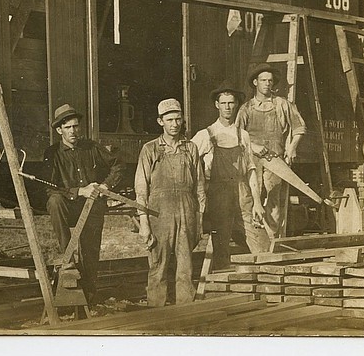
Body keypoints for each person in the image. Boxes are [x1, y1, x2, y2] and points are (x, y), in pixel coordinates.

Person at [42, 104, 124, 304]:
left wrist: (105, 185)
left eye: (76, 126)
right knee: (54, 201)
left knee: (90, 249)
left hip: (92, 207)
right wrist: (79, 191)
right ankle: (67, 256)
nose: (73, 131)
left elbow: (117, 165)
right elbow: (50, 188)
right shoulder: (53, 153)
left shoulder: (92, 147)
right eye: (68, 127)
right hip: (68, 207)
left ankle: (89, 294)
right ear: (59, 130)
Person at [134, 98, 206, 307]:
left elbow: (199, 185)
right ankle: (156, 310)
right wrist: (144, 223)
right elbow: (141, 188)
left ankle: (185, 310)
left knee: (186, 264)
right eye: (170, 120)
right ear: (160, 121)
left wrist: (199, 218)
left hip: (187, 211)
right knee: (158, 263)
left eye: (178, 119)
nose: (175, 124)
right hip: (159, 213)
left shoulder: (190, 148)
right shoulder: (150, 150)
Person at [192, 82, 269, 268]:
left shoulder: (243, 135)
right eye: (224, 103)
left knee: (261, 242)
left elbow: (251, 171)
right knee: (222, 245)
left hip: (243, 194)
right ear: (216, 105)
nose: (227, 107)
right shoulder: (206, 135)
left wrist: (257, 203)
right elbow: (189, 162)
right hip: (219, 196)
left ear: (236, 105)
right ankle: (223, 284)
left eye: (231, 103)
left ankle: (265, 278)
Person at [235, 63, 306, 240]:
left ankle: (273, 240)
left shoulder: (282, 104)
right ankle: (255, 240)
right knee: (250, 198)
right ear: (255, 82)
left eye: (270, 80)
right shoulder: (246, 108)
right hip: (252, 160)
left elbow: (299, 128)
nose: (267, 83)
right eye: (263, 80)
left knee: (274, 202)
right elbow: (236, 136)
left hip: (276, 160)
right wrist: (253, 147)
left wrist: (292, 148)